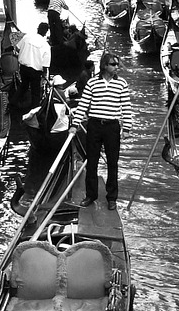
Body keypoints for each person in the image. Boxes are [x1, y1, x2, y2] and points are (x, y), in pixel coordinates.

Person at [67, 53, 132, 211]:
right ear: (104, 66)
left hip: (112, 127)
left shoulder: (122, 83)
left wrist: (127, 128)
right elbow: (83, 105)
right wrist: (75, 125)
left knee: (112, 163)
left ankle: (111, 198)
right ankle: (91, 195)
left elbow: (126, 106)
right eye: (113, 64)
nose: (116, 67)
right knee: (92, 162)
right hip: (94, 125)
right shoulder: (92, 83)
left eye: (117, 64)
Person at [15, 21, 51, 107]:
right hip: (35, 71)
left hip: (23, 68)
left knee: (24, 86)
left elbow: (17, 48)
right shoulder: (45, 45)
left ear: (37, 29)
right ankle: (34, 110)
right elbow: (45, 65)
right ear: (46, 32)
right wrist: (45, 75)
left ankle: (13, 103)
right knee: (35, 92)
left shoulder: (26, 37)